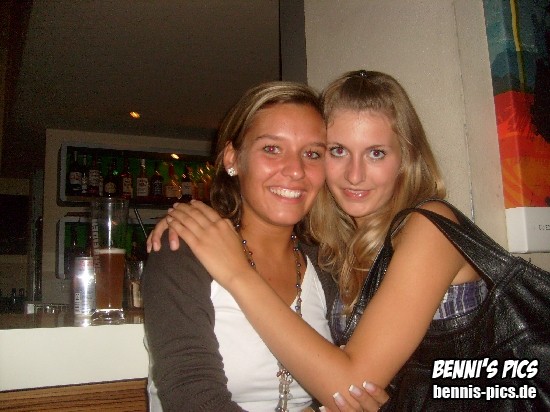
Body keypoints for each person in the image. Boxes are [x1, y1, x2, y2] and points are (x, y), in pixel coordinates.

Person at [148, 70, 487, 410]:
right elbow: (191, 393)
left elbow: (350, 386)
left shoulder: (426, 228)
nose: (355, 174)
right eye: (338, 151)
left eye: (376, 153)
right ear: (232, 158)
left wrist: (238, 273)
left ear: (406, 159)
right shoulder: (337, 255)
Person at [143, 80, 386, 412]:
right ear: (233, 158)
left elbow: (360, 390)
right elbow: (191, 397)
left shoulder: (329, 264)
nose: (296, 170)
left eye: (312, 154)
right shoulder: (183, 252)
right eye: (272, 148)